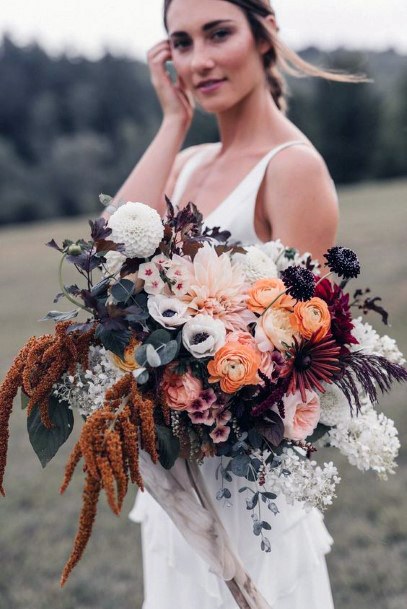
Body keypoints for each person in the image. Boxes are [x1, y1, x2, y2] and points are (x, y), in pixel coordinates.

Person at [103, 1, 361, 607]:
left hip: (249, 486)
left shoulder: (292, 168)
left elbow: (299, 348)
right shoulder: (187, 164)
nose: (201, 60)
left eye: (219, 34)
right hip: (177, 478)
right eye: (182, 43)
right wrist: (173, 123)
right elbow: (111, 254)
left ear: (265, 34)